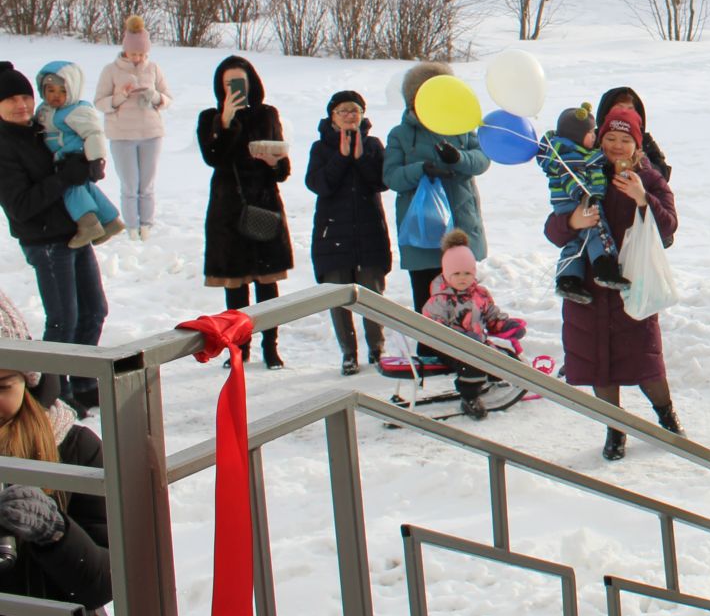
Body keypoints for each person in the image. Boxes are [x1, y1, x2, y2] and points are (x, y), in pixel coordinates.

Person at [0, 295, 119, 616]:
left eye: (1, 386)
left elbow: (106, 579)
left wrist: (55, 533)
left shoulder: (73, 447)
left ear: (29, 382)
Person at [545, 103, 680, 459]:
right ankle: (614, 428)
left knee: (645, 360)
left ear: (637, 145)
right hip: (588, 288)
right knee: (598, 366)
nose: (617, 146)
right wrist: (572, 222)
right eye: (610, 137)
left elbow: (668, 229)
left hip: (631, 285)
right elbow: (553, 228)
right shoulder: (583, 171)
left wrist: (642, 199)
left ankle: (667, 416)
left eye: (625, 139)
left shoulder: (650, 178)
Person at [0, 62, 106, 411]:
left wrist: (88, 166)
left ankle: (85, 382)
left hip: (72, 234)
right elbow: (20, 205)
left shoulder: (40, 128)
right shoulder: (4, 145)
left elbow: (71, 153)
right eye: (10, 99)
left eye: (25, 96)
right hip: (44, 242)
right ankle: (54, 394)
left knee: (94, 311)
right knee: (64, 320)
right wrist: (65, 177)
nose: (21, 105)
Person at [196, 55, 293, 369]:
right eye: (228, 83)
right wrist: (225, 123)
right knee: (235, 286)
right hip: (228, 209)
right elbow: (214, 158)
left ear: (251, 82)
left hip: (264, 202)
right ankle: (239, 348)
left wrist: (274, 161)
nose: (235, 88)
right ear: (220, 87)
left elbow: (283, 169)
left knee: (268, 285)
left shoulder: (267, 114)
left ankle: (270, 347)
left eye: (240, 82)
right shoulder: (210, 117)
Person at [384, 61, 491, 324]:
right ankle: (431, 351)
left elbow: (482, 160)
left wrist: (458, 158)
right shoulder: (400, 134)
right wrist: (421, 169)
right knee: (427, 300)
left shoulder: (462, 127)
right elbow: (392, 177)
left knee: (464, 298)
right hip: (423, 229)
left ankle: (466, 350)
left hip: (460, 224)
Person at [305, 90, 391, 376]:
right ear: (332, 116)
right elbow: (318, 184)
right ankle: (348, 353)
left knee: (371, 294)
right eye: (343, 110)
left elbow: (381, 182)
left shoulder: (374, 145)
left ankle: (377, 348)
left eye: (354, 110)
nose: (349, 115)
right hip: (333, 234)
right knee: (338, 295)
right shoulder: (320, 148)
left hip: (368, 230)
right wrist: (341, 159)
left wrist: (361, 157)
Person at [420, 229, 525, 420]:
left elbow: (492, 316)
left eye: (468, 273)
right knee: (473, 363)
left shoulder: (480, 294)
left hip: (477, 343)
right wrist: (455, 339)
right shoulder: (439, 300)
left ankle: (494, 376)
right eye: (457, 273)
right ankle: (470, 397)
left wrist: (506, 325)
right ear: (446, 273)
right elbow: (432, 328)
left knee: (504, 357)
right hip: (451, 347)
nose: (463, 278)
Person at [539, 103, 625, 304]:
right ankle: (604, 266)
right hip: (577, 200)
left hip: (566, 203)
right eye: (590, 133)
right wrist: (585, 196)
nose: (594, 137)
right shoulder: (570, 155)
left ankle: (568, 279)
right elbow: (572, 179)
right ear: (577, 135)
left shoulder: (568, 151)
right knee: (597, 228)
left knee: (576, 241)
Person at [95, 15, 170, 241]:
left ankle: (147, 224)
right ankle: (132, 226)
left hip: (151, 134)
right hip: (122, 136)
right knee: (130, 185)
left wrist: (155, 96)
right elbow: (100, 102)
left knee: (147, 184)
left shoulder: (154, 69)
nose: (138, 58)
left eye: (142, 54)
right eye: (134, 53)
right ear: (125, 50)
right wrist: (120, 97)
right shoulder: (111, 70)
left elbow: (168, 99)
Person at [34, 61, 123, 247]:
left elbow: (93, 133)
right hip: (58, 157)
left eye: (62, 91)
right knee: (86, 188)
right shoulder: (43, 110)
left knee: (69, 188)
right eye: (51, 91)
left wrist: (96, 160)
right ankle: (110, 221)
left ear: (72, 90)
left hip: (72, 158)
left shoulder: (77, 110)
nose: (56, 96)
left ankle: (88, 224)